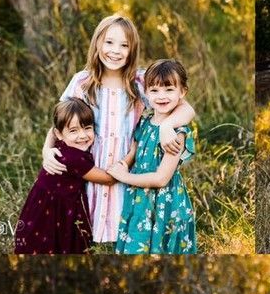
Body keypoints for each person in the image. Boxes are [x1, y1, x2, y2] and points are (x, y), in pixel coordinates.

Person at [43, 14, 193, 246]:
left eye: (124, 45)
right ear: (97, 44)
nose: (115, 51)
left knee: (125, 224)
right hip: (93, 164)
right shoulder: (82, 81)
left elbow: (186, 107)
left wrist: (166, 126)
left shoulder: (140, 81)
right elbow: (61, 122)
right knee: (86, 228)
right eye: (109, 42)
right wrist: (46, 150)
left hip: (128, 163)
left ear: (132, 50)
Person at [111, 58, 197, 254]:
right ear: (146, 92)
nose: (161, 96)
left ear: (182, 92)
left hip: (166, 202)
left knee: (163, 248)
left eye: (169, 89)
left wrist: (124, 177)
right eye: (155, 90)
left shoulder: (178, 132)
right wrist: (123, 164)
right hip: (140, 199)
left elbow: (161, 178)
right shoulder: (145, 120)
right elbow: (134, 149)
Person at [15, 100, 107, 253]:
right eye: (73, 131)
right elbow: (108, 179)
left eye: (88, 128)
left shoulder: (63, 147)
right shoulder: (73, 158)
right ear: (58, 134)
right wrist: (130, 156)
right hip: (51, 213)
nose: (82, 136)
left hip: (41, 209)